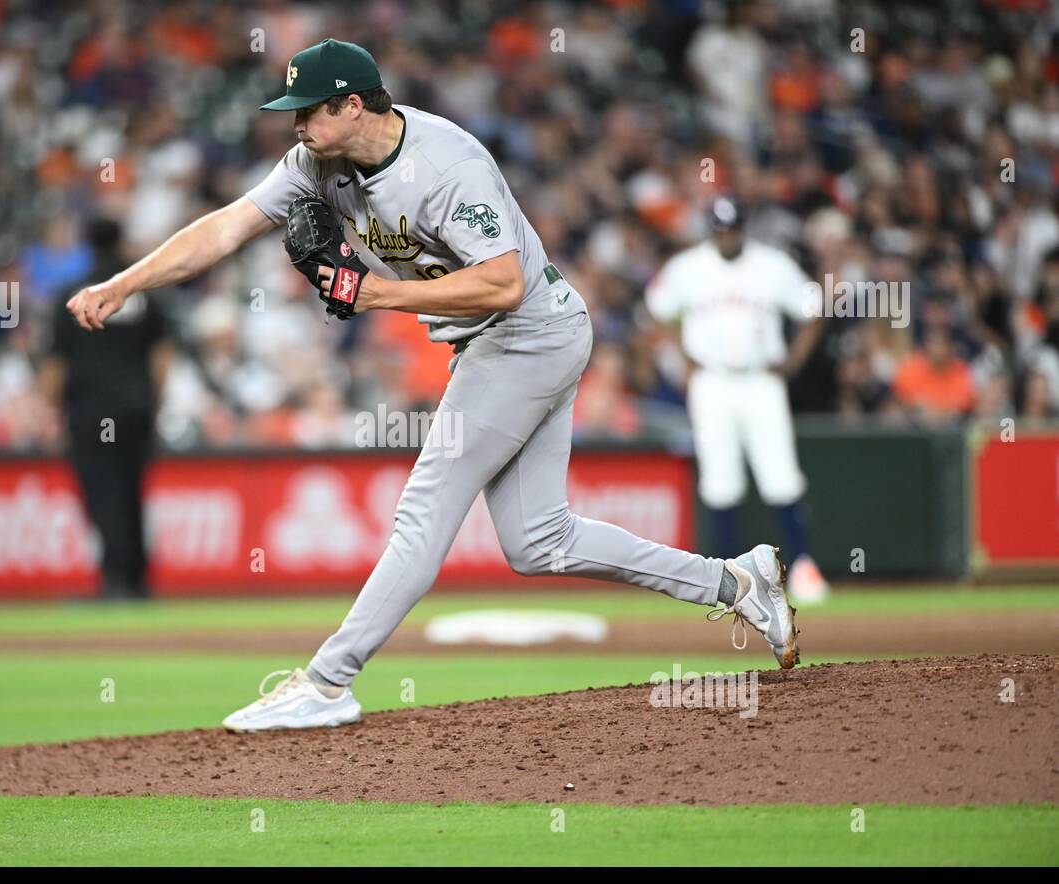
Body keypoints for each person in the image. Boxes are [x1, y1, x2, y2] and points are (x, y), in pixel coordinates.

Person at [66, 39, 800, 732]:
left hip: (527, 334)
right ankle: (736, 583)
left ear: (355, 104)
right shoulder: (314, 161)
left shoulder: (447, 161)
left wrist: (375, 295)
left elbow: (504, 283)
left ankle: (327, 682)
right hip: (498, 340)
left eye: (311, 109)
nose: (297, 124)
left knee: (424, 508)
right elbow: (227, 228)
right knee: (540, 541)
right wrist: (125, 283)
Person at [645, 197, 830, 605]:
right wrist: (683, 357)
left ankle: (802, 568)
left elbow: (814, 308)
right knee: (720, 481)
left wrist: (794, 361)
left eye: (732, 228)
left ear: (743, 227)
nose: (726, 235)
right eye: (720, 228)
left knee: (781, 476)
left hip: (761, 379)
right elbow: (657, 310)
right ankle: (731, 577)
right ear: (711, 229)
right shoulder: (688, 267)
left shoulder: (772, 265)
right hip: (712, 381)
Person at [47, 218, 172, 599]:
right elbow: (162, 357)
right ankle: (137, 580)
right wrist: (153, 402)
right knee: (132, 491)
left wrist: (51, 408)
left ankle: (116, 580)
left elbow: (57, 363)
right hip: (136, 408)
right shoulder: (143, 293)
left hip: (90, 409)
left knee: (102, 493)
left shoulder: (73, 293)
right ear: (122, 241)